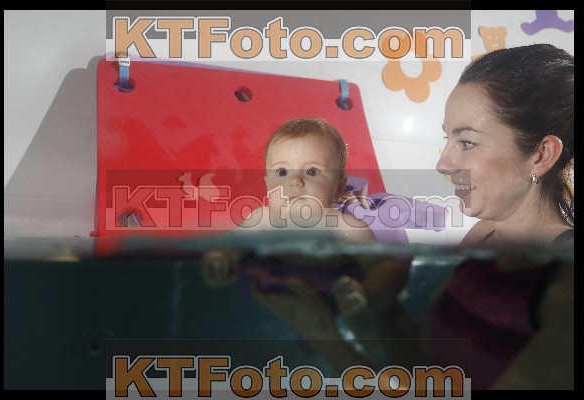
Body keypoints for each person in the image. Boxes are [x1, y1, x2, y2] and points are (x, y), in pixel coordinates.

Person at [251, 44, 574, 390]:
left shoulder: (564, 285)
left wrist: (325, 339)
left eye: (466, 142)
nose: (443, 163)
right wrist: (376, 295)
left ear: (541, 155)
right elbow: (423, 364)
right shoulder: (484, 236)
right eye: (447, 139)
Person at [202, 117, 410, 331]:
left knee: (380, 331)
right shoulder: (262, 218)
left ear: (339, 187)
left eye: (312, 171)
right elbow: (230, 246)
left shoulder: (346, 227)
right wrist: (219, 258)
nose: (295, 181)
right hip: (288, 289)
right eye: (282, 172)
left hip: (341, 285)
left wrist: (368, 293)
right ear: (267, 185)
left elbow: (383, 266)